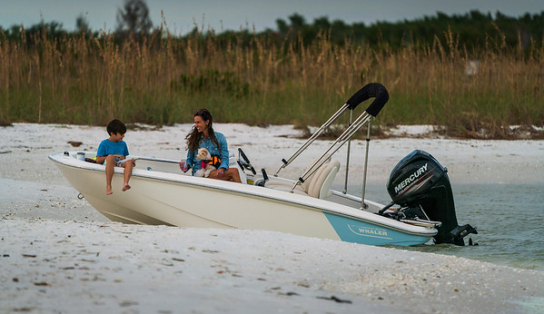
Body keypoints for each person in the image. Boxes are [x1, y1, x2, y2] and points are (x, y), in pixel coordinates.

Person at [181, 109, 241, 183]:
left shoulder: (220, 137)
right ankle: (245, 194)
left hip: (213, 170)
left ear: (207, 122)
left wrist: (222, 168)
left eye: (198, 122)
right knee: (234, 172)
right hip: (200, 173)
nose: (196, 125)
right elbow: (189, 160)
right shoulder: (194, 139)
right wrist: (184, 166)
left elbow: (224, 157)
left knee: (231, 178)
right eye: (195, 123)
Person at [95, 119, 136, 195]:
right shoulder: (104, 144)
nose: (123, 136)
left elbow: (124, 158)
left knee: (129, 161)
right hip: (109, 163)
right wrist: (113, 156)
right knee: (110, 157)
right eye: (121, 134)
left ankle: (125, 183)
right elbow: (98, 160)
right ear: (112, 133)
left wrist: (126, 160)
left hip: (119, 163)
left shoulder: (123, 144)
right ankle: (108, 186)